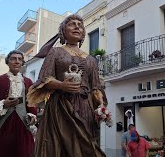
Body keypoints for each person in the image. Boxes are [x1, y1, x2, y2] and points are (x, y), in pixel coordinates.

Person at [27, 14, 107, 157]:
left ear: (83, 33)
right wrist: (61, 85)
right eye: (72, 24)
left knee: (86, 145)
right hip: (61, 107)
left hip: (85, 108)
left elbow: (95, 87)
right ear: (63, 31)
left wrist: (101, 104)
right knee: (62, 146)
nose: (77, 26)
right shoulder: (55, 52)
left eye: (80, 25)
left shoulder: (91, 60)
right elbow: (44, 78)